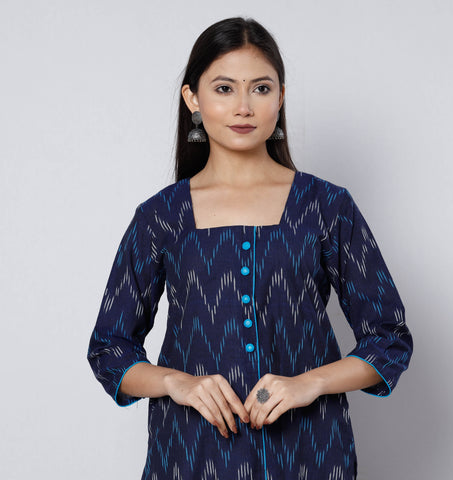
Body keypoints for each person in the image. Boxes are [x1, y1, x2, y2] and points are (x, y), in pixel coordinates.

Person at [87, 17, 413, 480]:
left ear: (280, 98)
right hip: (191, 454)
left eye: (260, 89)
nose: (243, 107)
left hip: (309, 454)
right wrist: (176, 382)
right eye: (224, 89)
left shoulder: (325, 206)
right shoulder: (161, 216)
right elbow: (109, 347)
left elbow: (388, 338)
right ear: (193, 99)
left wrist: (309, 383)